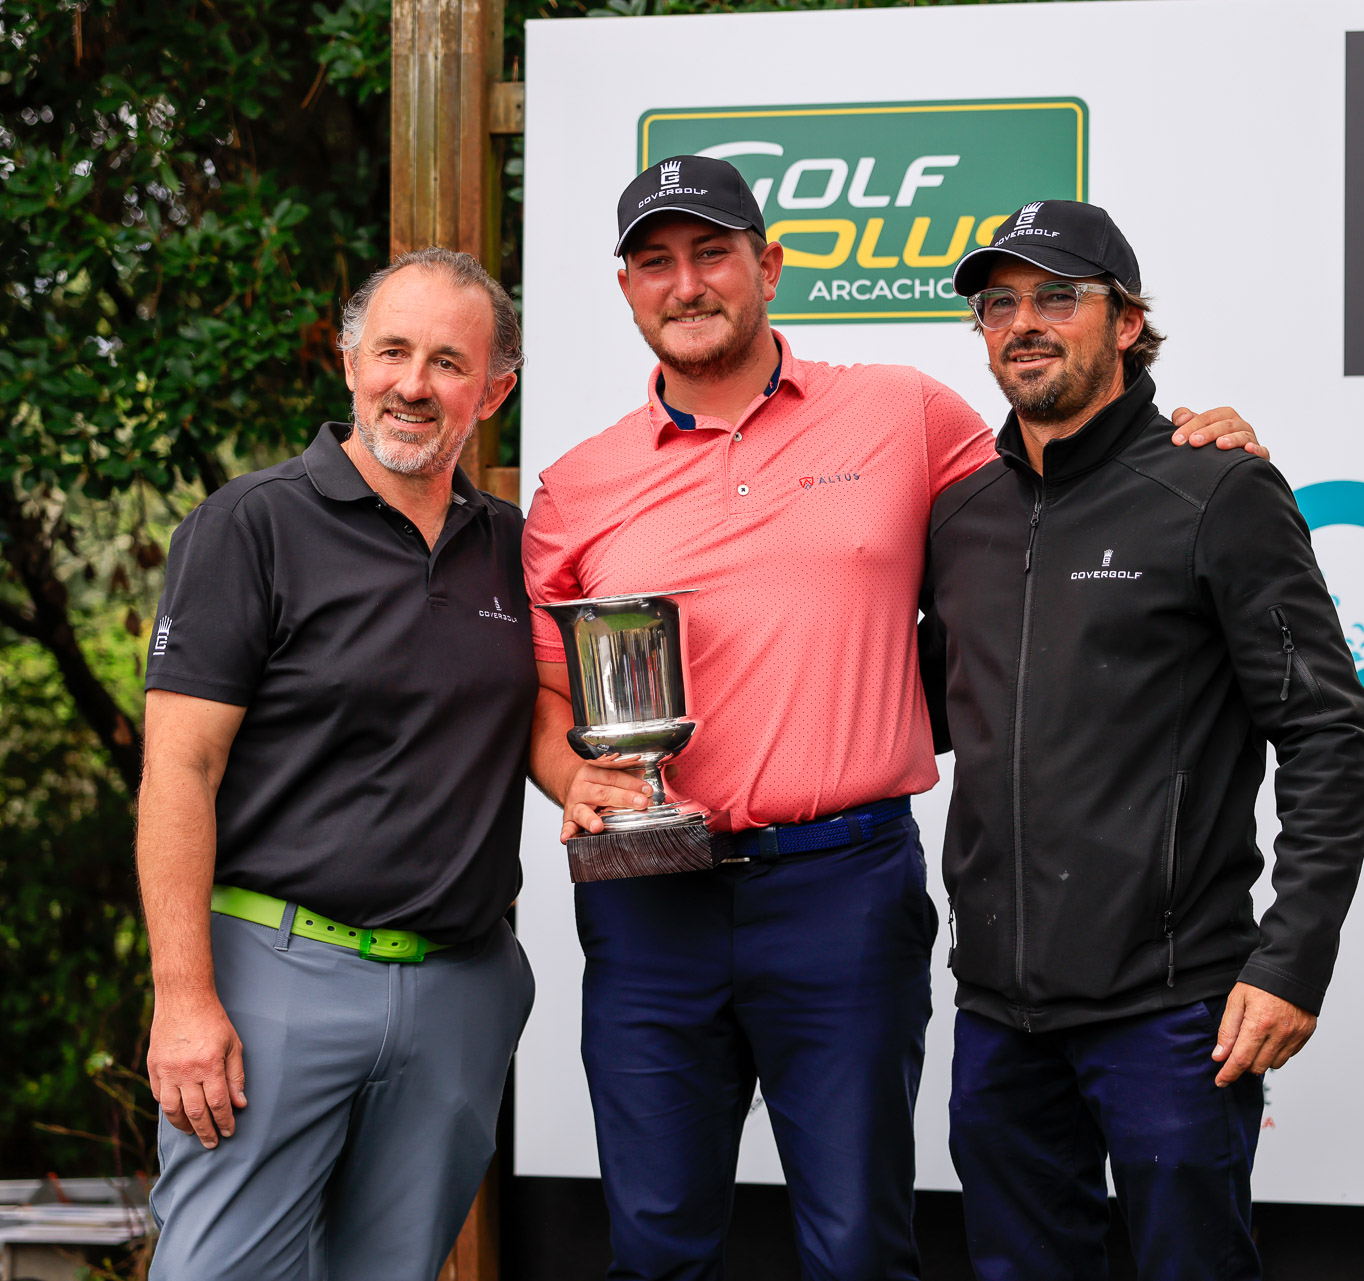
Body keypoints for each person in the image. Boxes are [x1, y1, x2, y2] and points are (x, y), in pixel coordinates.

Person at [521, 157, 1267, 1281]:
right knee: (654, 1246)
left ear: (770, 267)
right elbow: (548, 690)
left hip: (842, 887)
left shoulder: (903, 413)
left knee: (860, 1246)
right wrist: (568, 775)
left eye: (713, 253)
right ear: (625, 286)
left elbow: (1062, 481)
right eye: (656, 262)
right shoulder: (577, 484)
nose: (687, 284)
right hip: (649, 902)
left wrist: (1192, 443)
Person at [920, 200, 1364, 1281]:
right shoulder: (962, 516)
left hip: (1173, 1013)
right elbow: (921, 709)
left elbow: (1325, 731)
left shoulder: (1218, 488)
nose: (1024, 323)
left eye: (1057, 297)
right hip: (998, 1015)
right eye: (999, 305)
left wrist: (1293, 959)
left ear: (1126, 323)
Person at [137, 248, 536, 1280]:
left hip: (459, 989)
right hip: (273, 977)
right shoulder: (251, 524)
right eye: (392, 352)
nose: (413, 384)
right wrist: (183, 997)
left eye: (448, 362)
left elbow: (547, 725)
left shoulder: (515, 548)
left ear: (493, 391)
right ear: (351, 362)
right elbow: (180, 770)